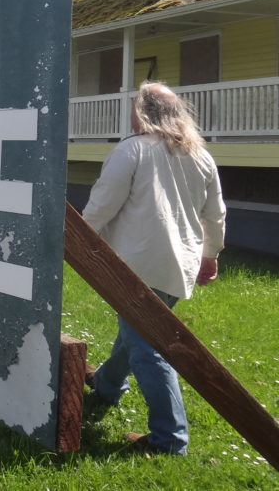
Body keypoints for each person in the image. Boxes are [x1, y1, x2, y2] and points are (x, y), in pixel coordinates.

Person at [82, 81, 226, 456]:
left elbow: (102, 204)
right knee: (136, 337)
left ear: (142, 113)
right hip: (180, 266)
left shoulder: (132, 150)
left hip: (137, 267)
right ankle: (107, 386)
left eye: (134, 106)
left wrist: (78, 239)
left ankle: (170, 438)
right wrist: (210, 255)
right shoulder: (200, 156)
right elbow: (215, 214)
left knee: (148, 348)